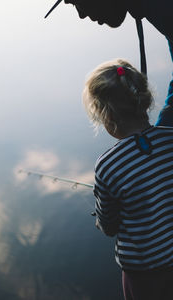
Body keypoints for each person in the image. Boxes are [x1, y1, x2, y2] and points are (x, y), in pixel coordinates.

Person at [82, 58, 173, 300]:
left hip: (143, 271)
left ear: (106, 116)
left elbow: (109, 225)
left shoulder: (108, 165)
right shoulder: (170, 139)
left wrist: (101, 221)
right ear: (144, 102)